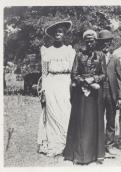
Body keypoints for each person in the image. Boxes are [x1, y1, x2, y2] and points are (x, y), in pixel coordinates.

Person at [63, 30, 106, 165]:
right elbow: (74, 73)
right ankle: (79, 155)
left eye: (92, 40)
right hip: (81, 93)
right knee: (81, 122)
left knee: (94, 122)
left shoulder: (101, 55)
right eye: (87, 40)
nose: (90, 42)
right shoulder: (79, 55)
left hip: (95, 94)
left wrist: (94, 79)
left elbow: (104, 74)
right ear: (84, 41)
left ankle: (95, 155)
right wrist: (84, 81)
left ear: (95, 41)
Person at [37, 21, 76, 156]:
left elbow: (73, 71)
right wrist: (43, 90)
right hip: (51, 83)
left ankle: (65, 143)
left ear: (64, 34)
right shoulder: (47, 51)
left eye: (60, 32)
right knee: (52, 112)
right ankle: (53, 143)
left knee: (65, 111)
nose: (58, 34)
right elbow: (44, 72)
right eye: (56, 32)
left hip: (65, 83)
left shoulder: (70, 51)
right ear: (52, 36)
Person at [97, 30, 121, 155]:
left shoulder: (115, 59)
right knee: (97, 118)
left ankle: (110, 144)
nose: (105, 44)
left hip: (112, 93)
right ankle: (97, 144)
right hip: (98, 93)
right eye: (103, 42)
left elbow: (120, 79)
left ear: (111, 43)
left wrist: (120, 97)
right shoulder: (95, 57)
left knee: (111, 120)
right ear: (99, 43)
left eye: (108, 42)